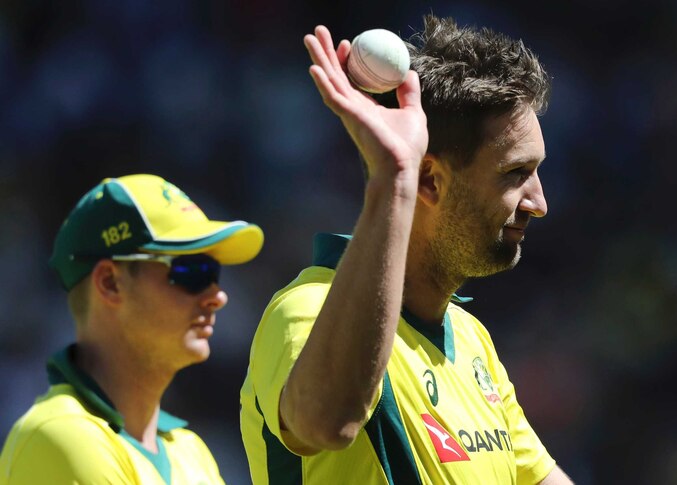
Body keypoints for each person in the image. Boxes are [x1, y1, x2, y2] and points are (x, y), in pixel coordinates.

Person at [240, 14, 573, 484]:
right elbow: (325, 423)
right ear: (429, 180)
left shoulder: (470, 338)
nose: (539, 203)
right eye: (516, 174)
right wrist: (393, 177)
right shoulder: (307, 309)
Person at [0, 174, 264, 484]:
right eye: (191, 270)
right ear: (110, 283)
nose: (218, 297)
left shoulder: (190, 450)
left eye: (214, 271)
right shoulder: (63, 436)